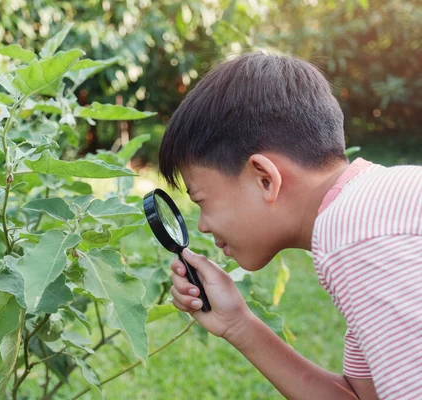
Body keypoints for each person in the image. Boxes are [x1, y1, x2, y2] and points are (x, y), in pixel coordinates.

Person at [159, 52, 422, 400]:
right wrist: (239, 325)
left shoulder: (358, 236)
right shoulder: (375, 209)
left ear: (265, 179)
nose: (204, 226)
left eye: (201, 201)